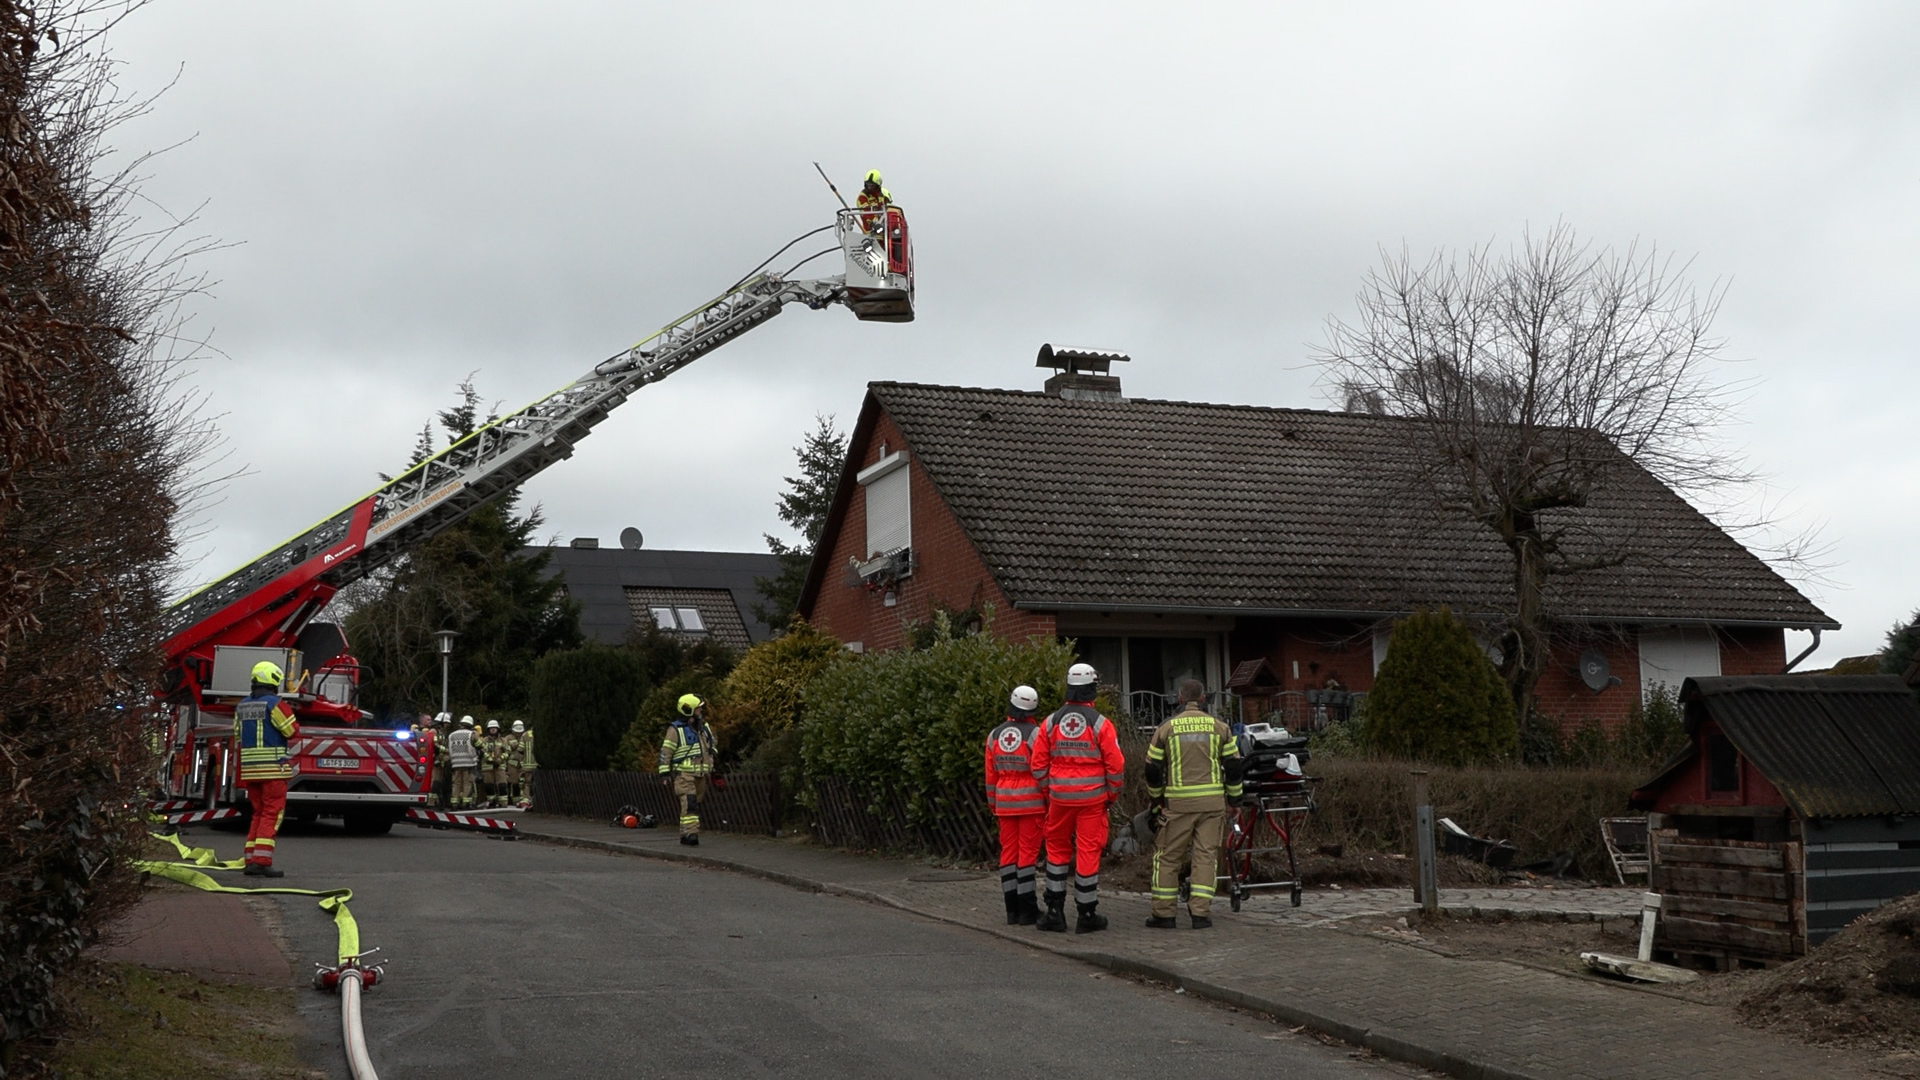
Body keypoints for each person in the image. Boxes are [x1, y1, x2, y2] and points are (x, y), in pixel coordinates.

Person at [1030, 663, 1126, 933]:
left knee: (1057, 852)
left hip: (1059, 801)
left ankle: (1054, 912)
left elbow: (1037, 765)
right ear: (1092, 689)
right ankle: (1086, 914)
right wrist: (1110, 795)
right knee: (1087, 852)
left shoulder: (1050, 722)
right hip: (1092, 802)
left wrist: (1052, 791)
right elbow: (1116, 766)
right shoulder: (1101, 724)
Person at [1143, 679, 1244, 929]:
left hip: (1177, 805)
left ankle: (1164, 914)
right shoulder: (1220, 727)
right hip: (1212, 804)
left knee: (1167, 857)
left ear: (1178, 698)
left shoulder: (1166, 728)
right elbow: (1233, 767)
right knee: (1206, 856)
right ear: (1203, 699)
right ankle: (1200, 914)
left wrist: (1156, 800)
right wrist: (1234, 801)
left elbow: (1152, 769)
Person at [984, 685, 1046, 926]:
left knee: (1008, 854)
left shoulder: (995, 735)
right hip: (1031, 804)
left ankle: (1011, 910)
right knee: (1027, 856)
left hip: (1004, 803)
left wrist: (994, 803)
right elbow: (1041, 769)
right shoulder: (1036, 734)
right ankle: (1028, 910)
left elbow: (990, 776)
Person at [233, 660, 300, 877]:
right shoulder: (275, 704)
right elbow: (291, 731)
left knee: (259, 813)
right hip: (273, 770)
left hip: (250, 771)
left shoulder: (242, 705)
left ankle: (251, 860)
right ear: (273, 680)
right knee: (272, 813)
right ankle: (262, 861)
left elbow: (237, 735)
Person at [658, 694, 716, 845]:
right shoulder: (676, 729)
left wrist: (714, 770)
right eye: (697, 709)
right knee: (689, 802)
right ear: (689, 710)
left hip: (701, 774)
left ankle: (685, 833)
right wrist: (664, 773)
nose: (700, 711)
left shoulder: (704, 728)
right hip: (684, 774)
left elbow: (710, 749)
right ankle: (691, 834)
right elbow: (666, 752)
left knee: (694, 804)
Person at [448, 716, 479, 809]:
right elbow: (479, 745)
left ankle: (454, 803)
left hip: (455, 763)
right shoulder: (472, 734)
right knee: (467, 783)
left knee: (456, 783)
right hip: (469, 763)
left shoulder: (452, 735)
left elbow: (449, 748)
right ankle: (466, 803)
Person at [480, 719, 508, 807]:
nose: (493, 730)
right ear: (488, 729)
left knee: (502, 785)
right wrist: (489, 759)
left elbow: (508, 751)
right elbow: (482, 751)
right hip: (487, 767)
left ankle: (503, 803)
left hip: (500, 766)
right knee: (489, 786)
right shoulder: (484, 740)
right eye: (491, 728)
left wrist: (500, 759)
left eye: (494, 728)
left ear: (498, 729)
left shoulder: (503, 740)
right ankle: (491, 802)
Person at [511, 720, 537, 807]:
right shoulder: (542, 734)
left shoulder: (525, 735)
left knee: (527, 783)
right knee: (539, 782)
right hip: (538, 764)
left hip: (527, 764)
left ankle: (526, 800)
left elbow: (520, 749)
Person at [428, 712, 451, 807]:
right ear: (441, 722)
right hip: (434, 760)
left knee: (439, 782)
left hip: (441, 760)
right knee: (435, 781)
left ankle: (437, 800)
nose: (447, 725)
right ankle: (430, 802)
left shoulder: (441, 732)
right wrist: (445, 750)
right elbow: (433, 745)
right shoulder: (433, 731)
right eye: (446, 723)